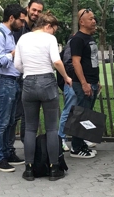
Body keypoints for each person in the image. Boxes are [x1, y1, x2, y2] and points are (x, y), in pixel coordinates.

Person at [14, 12, 72, 181]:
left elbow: (17, 64)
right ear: (47, 26)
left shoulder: (23, 39)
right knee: (52, 128)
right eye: (53, 29)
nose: (53, 33)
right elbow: (57, 61)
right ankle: (54, 168)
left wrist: (30, 72)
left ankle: (29, 169)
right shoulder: (49, 39)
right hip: (47, 81)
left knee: (30, 128)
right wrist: (66, 77)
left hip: (29, 83)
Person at [0, 4, 27, 172]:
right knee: (2, 122)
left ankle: (7, 151)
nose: (23, 24)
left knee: (11, 121)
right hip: (4, 81)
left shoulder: (10, 35)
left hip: (13, 80)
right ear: (11, 18)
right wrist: (13, 53)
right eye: (21, 20)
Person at [10, 0, 44, 156]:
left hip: (27, 78)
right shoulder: (17, 28)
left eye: (39, 11)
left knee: (26, 114)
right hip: (13, 76)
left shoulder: (37, 30)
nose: (36, 13)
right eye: (34, 10)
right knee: (12, 114)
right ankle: (7, 149)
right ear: (28, 8)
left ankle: (28, 144)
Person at [69, 8, 101, 159]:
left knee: (86, 114)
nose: (94, 21)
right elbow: (76, 62)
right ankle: (75, 148)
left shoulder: (90, 38)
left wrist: (96, 81)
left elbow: (92, 61)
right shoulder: (78, 39)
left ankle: (82, 144)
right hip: (83, 83)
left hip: (92, 81)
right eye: (91, 19)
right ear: (82, 22)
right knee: (81, 114)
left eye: (94, 18)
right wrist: (84, 83)